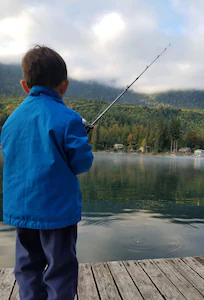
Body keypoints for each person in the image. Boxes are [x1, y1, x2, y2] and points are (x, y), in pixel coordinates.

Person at [1, 45, 93, 300]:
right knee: (60, 269)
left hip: (21, 211)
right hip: (57, 214)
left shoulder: (11, 121)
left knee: (27, 268)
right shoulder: (69, 118)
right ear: (64, 86)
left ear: (24, 85)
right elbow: (81, 163)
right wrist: (84, 140)